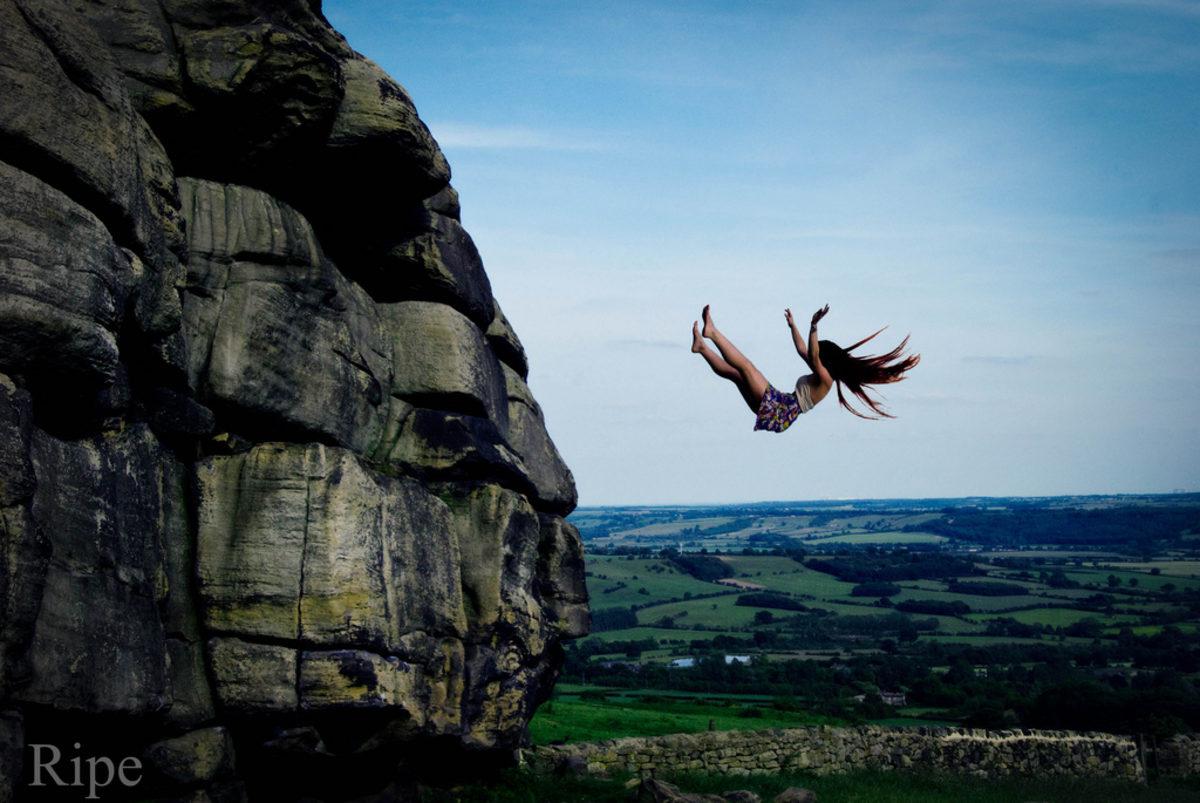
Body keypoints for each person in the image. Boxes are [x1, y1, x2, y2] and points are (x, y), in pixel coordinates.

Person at [690, 304, 919, 430]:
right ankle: (702, 347)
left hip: (780, 409)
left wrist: (814, 326)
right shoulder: (821, 373)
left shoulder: (826, 379)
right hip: (780, 411)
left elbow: (813, 353)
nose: (812, 355)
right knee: (736, 374)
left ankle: (712, 333)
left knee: (748, 367)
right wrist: (793, 326)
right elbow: (803, 350)